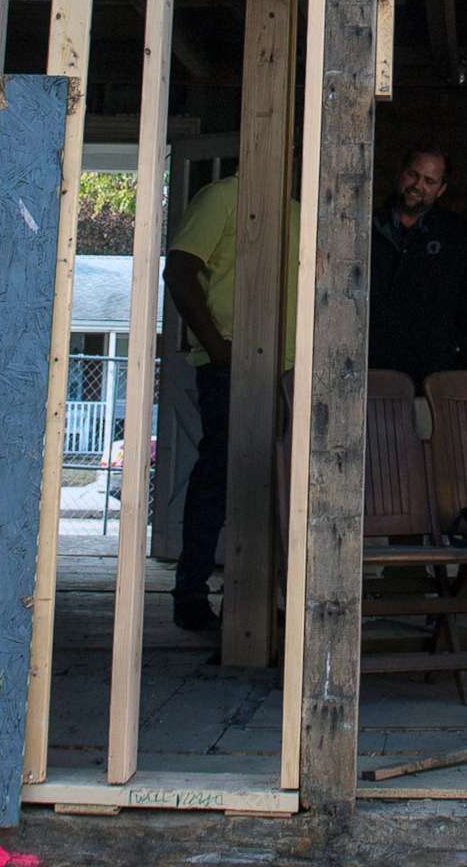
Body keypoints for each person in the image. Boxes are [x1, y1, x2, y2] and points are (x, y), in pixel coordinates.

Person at [165, 172, 299, 634]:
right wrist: (218, 347)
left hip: (290, 371)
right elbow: (178, 271)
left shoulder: (301, 209)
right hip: (231, 365)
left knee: (281, 482)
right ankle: (191, 593)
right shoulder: (221, 197)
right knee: (220, 476)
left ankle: (272, 601)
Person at [368, 147, 467, 386]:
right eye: (412, 175)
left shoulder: (459, 237)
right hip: (372, 369)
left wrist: (455, 352)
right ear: (400, 174)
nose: (418, 185)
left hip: (431, 376)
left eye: (429, 181)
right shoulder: (366, 225)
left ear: (441, 190)